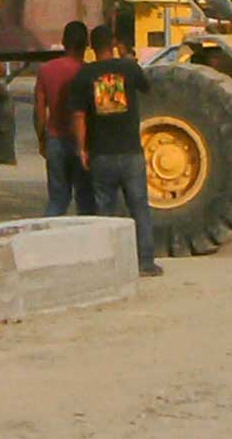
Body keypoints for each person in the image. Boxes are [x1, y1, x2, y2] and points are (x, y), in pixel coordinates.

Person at [66, 18, 161, 278]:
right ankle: (145, 263)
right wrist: (128, 58)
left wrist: (82, 148)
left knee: (105, 211)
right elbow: (148, 86)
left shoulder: (84, 75)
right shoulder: (128, 68)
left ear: (91, 48)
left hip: (101, 153)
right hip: (131, 152)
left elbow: (78, 116)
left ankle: (109, 265)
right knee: (139, 208)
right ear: (114, 44)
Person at [33, 20, 97, 218]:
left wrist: (42, 139)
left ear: (63, 41)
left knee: (57, 200)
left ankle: (49, 241)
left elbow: (39, 110)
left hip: (55, 140)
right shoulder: (90, 72)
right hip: (83, 142)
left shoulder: (46, 70)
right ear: (86, 44)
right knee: (86, 201)